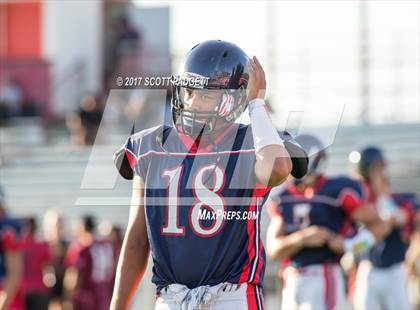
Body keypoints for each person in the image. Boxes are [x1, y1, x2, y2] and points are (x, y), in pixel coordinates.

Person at [111, 40, 308, 310]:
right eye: (189, 92)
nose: (192, 102)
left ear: (234, 99)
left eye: (205, 95)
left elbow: (276, 170)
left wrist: (257, 106)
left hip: (232, 297)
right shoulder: (151, 146)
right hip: (171, 298)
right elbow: (137, 239)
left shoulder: (253, 141)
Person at [266, 134, 390, 310]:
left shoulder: (336, 190)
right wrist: (302, 238)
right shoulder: (283, 197)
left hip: (323, 275)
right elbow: (274, 249)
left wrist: (351, 245)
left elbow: (380, 226)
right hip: (291, 278)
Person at [352, 146, 416, 310]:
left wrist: (377, 182)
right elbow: (356, 244)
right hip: (368, 267)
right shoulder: (361, 205)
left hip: (394, 269)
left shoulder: (404, 201)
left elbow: (393, 218)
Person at [64, 216, 115, 310]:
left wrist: (69, 297)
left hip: (86, 298)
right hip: (104, 295)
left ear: (83, 227)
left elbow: (75, 273)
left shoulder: (82, 247)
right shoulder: (106, 246)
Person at [21, 217, 52, 310]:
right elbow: (49, 270)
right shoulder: (43, 246)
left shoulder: (19, 246)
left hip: (23, 290)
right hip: (40, 290)